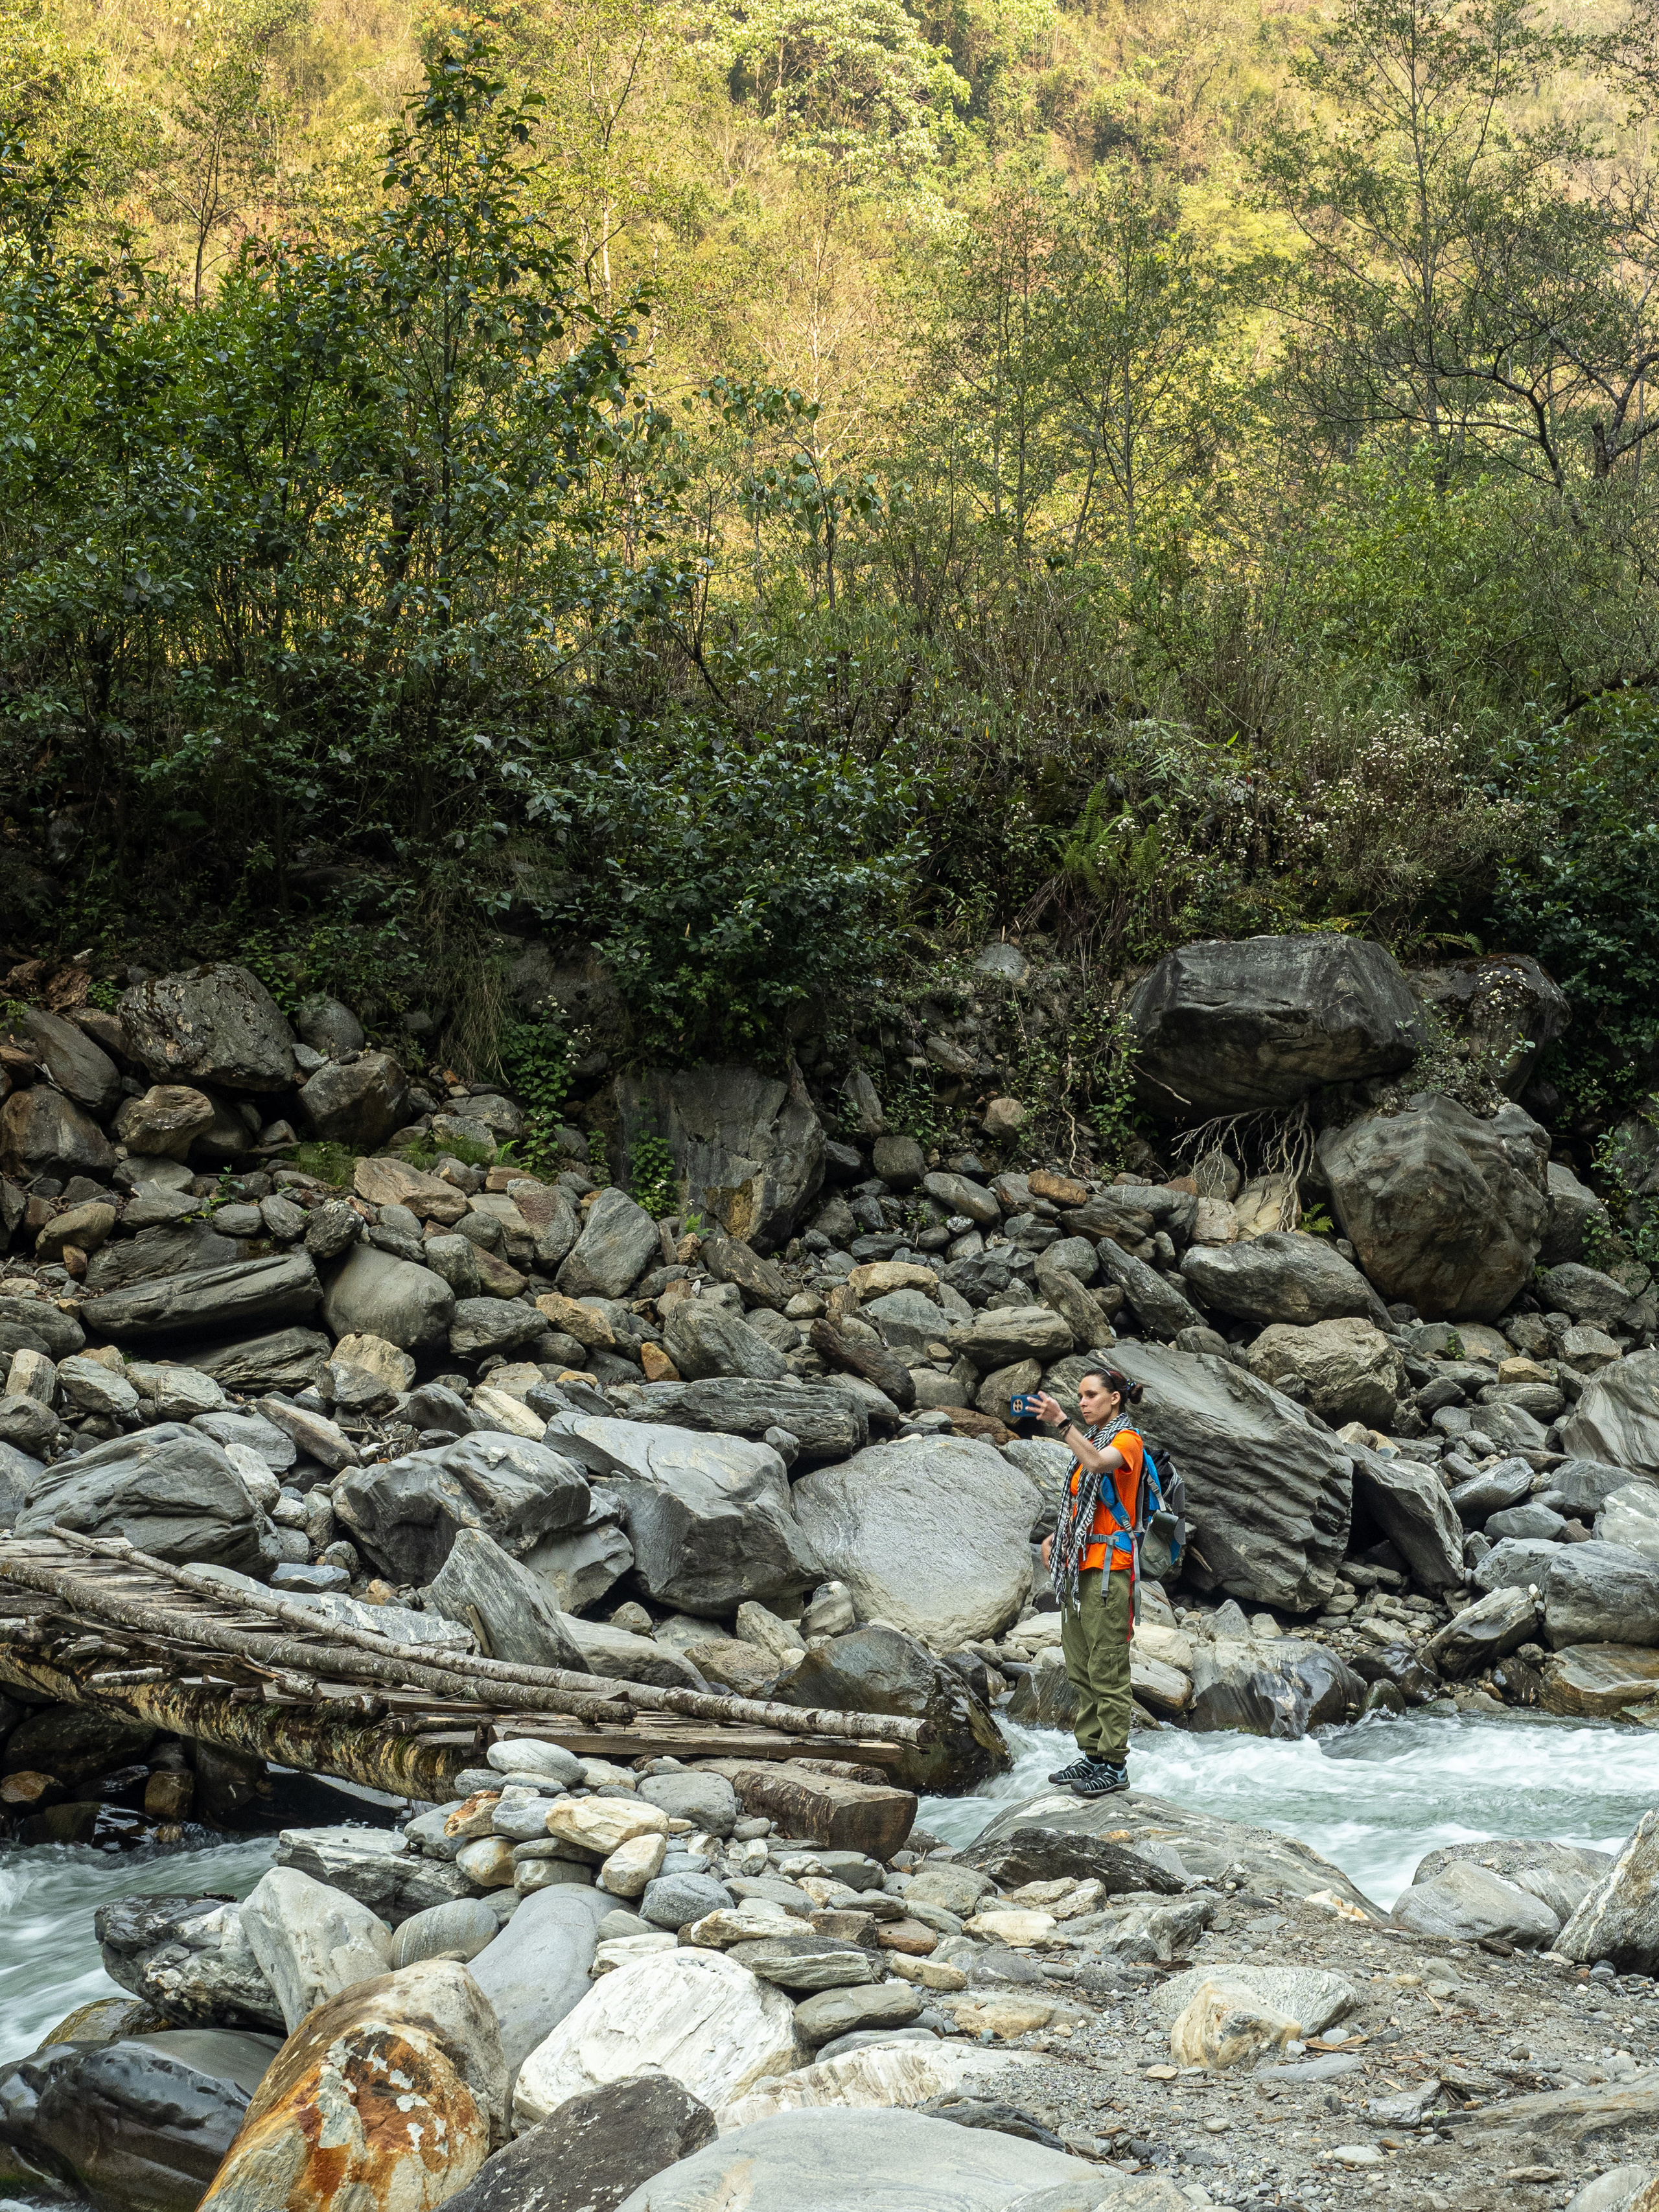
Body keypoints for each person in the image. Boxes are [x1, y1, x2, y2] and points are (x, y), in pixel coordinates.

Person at [1033, 1368, 1145, 1798]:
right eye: (1079, 1396)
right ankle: (1093, 1755)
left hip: (1110, 1571)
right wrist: (1057, 1539)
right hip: (1078, 1568)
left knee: (1107, 1668)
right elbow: (1083, 1506)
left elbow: (1098, 1464)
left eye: (1091, 1394)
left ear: (1115, 1398)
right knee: (1081, 1668)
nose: (1083, 1402)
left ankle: (1115, 1765)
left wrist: (1062, 1423)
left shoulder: (1126, 1441)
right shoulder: (1093, 1439)